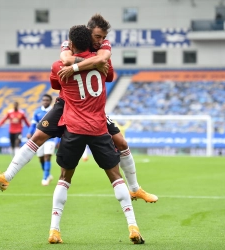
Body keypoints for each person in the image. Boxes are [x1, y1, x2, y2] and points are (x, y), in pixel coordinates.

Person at [0, 14, 158, 204]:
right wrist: (86, 63)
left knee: (122, 143)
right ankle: (6, 177)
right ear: (88, 32)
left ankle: (135, 189)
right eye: (97, 37)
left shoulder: (103, 48)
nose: (101, 41)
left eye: (102, 37)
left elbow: (104, 68)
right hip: (66, 103)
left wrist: (77, 66)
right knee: (38, 137)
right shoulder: (71, 44)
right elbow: (66, 59)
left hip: (91, 109)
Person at [47, 24, 144, 244]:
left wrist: (69, 62)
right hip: (99, 127)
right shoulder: (103, 64)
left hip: (73, 128)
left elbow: (56, 85)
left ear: (71, 44)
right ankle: (133, 226)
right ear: (92, 40)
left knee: (64, 178)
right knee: (115, 177)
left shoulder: (59, 65)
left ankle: (54, 230)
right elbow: (106, 68)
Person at [26, 94, 55, 186]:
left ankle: (45, 177)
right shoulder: (37, 112)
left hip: (51, 138)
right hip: (39, 138)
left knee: (47, 156)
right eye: (44, 100)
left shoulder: (54, 111)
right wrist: (30, 132)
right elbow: (33, 124)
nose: (45, 101)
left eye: (47, 100)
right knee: (41, 158)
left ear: (50, 101)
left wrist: (58, 140)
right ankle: (48, 174)